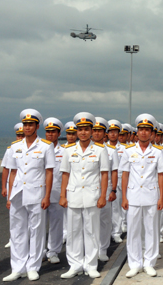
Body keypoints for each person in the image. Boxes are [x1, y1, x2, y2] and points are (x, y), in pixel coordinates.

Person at [3, 109, 54, 282]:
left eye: (30, 124)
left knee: (36, 231)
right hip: (17, 193)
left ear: (37, 126)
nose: (27, 127)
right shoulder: (14, 147)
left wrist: (47, 196)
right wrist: (9, 196)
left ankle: (33, 266)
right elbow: (12, 173)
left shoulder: (46, 146)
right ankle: (17, 267)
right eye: (25, 124)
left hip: (37, 193)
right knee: (16, 231)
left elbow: (49, 173)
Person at [59, 112, 109, 279]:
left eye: (86, 129)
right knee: (73, 232)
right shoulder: (68, 150)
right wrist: (62, 195)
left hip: (92, 196)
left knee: (92, 231)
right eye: (80, 129)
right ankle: (75, 264)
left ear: (91, 130)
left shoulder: (100, 150)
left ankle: (91, 264)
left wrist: (103, 195)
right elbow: (65, 174)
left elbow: (104, 174)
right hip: (73, 196)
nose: (83, 133)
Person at [120, 114, 163, 278]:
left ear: (152, 133)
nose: (144, 133)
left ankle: (149, 262)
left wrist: (161, 197)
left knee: (151, 229)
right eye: (141, 129)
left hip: (151, 195)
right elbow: (124, 174)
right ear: (137, 132)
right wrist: (124, 197)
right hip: (133, 195)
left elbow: (161, 175)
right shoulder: (128, 151)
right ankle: (134, 263)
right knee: (133, 230)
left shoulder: (158, 152)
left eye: (147, 130)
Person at [42, 117, 64, 265]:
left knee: (56, 223)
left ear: (58, 133)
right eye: (48, 132)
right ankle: (40, 252)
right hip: (40, 193)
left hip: (56, 192)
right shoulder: (40, 149)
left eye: (53, 132)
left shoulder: (64, 151)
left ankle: (53, 251)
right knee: (38, 225)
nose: (50, 134)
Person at [98, 119, 120, 261]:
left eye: (99, 131)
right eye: (94, 130)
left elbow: (114, 171)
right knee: (89, 221)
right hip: (90, 188)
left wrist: (113, 190)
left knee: (104, 220)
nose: (96, 133)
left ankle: (102, 249)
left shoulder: (111, 151)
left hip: (106, 189)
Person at [1, 124, 24, 249]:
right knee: (13, 215)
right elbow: (6, 169)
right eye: (18, 135)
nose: (20, 137)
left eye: (22, 135)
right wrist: (4, 187)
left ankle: (24, 238)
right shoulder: (11, 149)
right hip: (12, 185)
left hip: (25, 185)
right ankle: (13, 238)